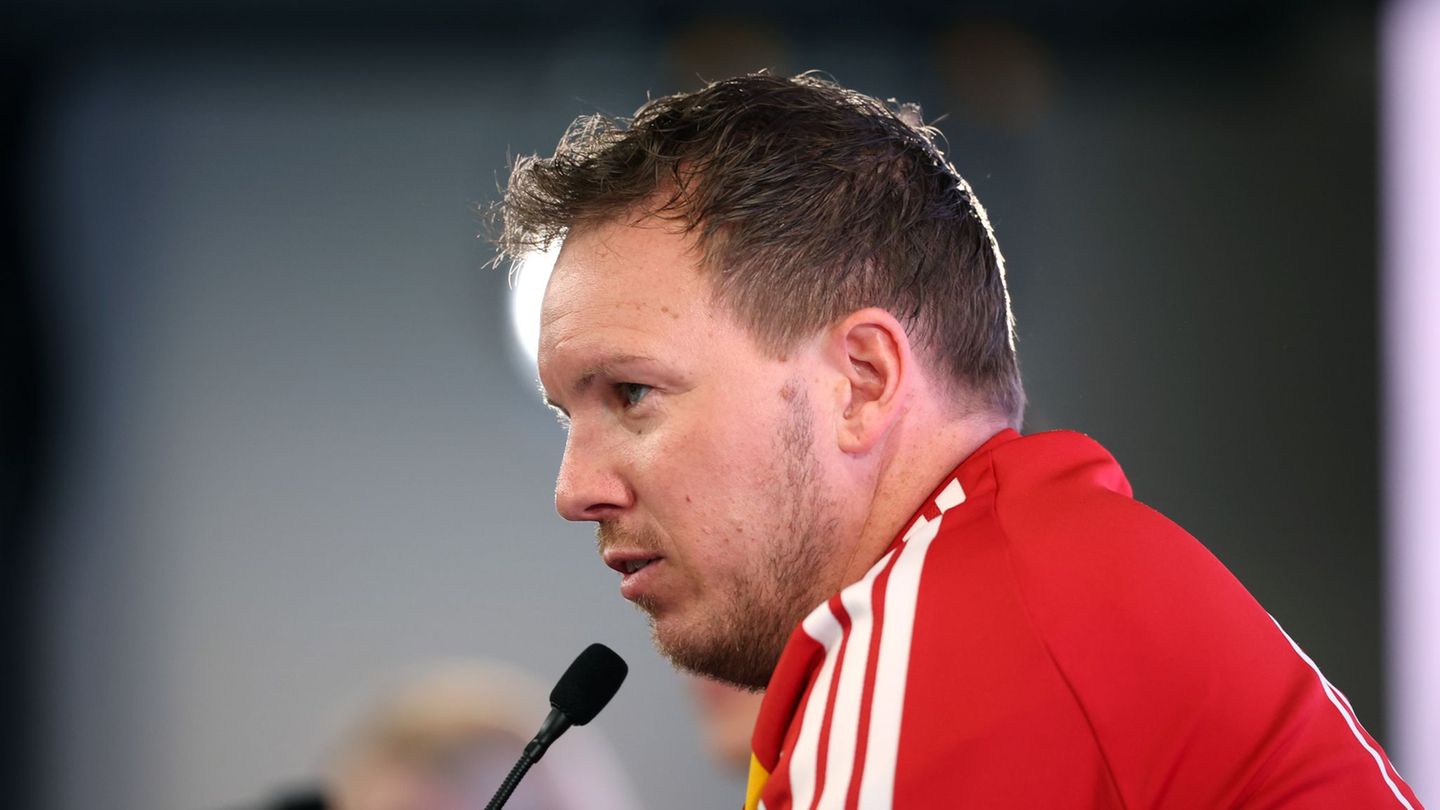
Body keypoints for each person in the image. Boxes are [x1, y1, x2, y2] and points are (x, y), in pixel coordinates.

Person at [495, 72, 1424, 808]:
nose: (574, 489)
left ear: (861, 382)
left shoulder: (940, 644)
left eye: (632, 393)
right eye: (566, 414)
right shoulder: (1036, 574)